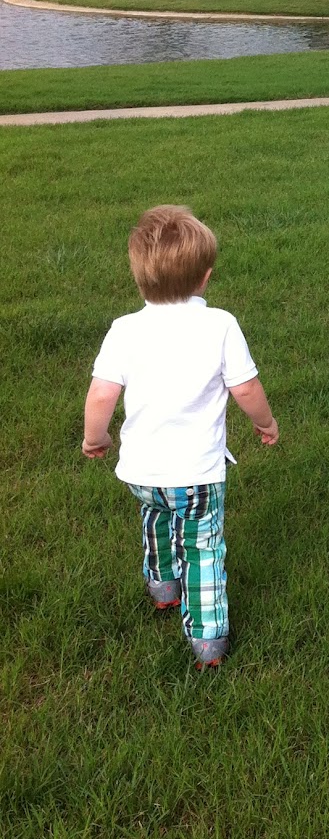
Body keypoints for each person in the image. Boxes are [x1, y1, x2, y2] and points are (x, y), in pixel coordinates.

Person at [81, 206, 278, 668]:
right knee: (202, 546)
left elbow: (101, 392)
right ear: (205, 277)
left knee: (155, 518)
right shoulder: (220, 324)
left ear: (139, 277)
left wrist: (96, 438)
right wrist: (264, 423)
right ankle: (207, 639)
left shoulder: (124, 330)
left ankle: (163, 586)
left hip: (142, 471)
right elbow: (245, 387)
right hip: (198, 473)